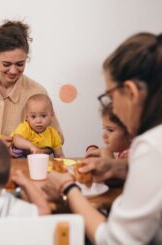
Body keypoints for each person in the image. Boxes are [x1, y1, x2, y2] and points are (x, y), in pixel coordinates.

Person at [43, 32, 162, 244]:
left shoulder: (153, 145)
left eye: (110, 96)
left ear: (131, 92)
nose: (112, 107)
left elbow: (114, 240)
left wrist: (67, 189)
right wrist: (118, 168)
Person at [0, 20, 63, 155]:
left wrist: (26, 149)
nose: (13, 71)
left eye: (20, 64)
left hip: (27, 168)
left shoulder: (38, 92)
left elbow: (55, 140)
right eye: (6, 64)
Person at [82, 106, 131, 183]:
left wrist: (107, 153)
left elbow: (113, 181)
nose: (104, 135)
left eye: (110, 130)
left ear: (130, 133)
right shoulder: (124, 153)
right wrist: (94, 149)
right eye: (104, 129)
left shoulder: (131, 155)